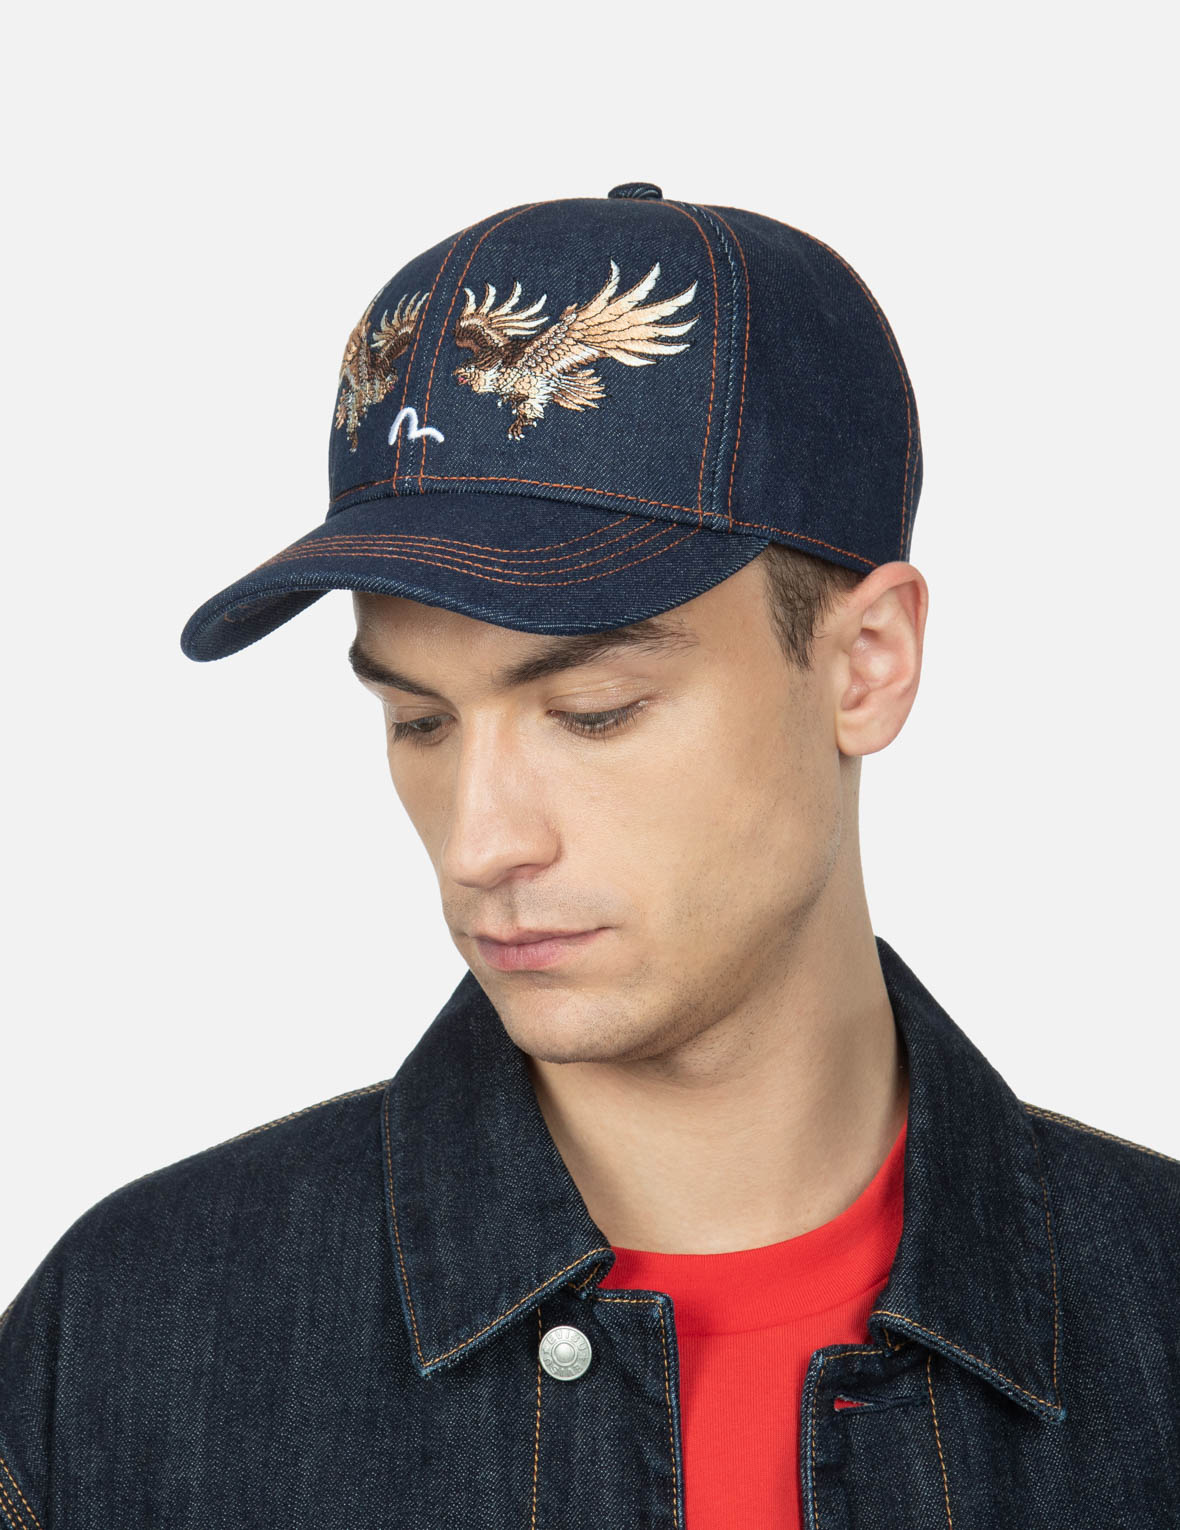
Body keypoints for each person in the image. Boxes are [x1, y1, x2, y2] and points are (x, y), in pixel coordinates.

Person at [1, 183, 1176, 1530]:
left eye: (594, 711)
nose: (482, 841)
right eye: (418, 720)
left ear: (867, 662)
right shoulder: (123, 1349)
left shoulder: (1154, 1320)